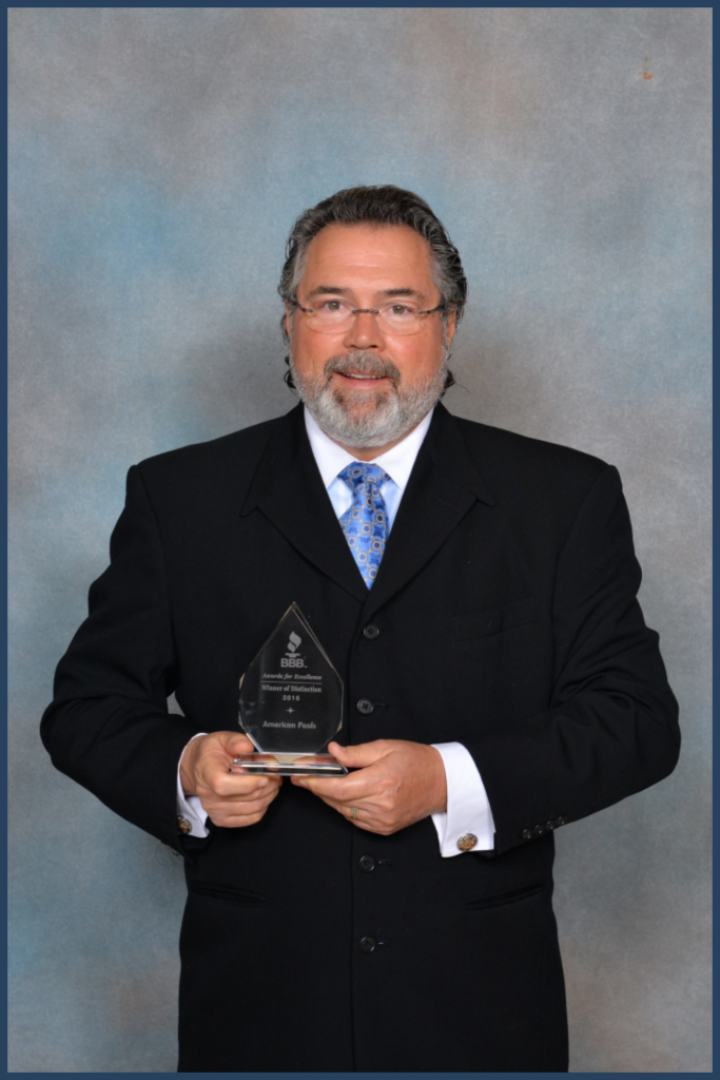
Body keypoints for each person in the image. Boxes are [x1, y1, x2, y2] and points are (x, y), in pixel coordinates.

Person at [41, 185, 680, 1073]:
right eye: (332, 303)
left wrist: (448, 783)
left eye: (399, 306)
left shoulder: (561, 502)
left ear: (448, 326)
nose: (364, 339)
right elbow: (87, 708)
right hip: (256, 1016)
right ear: (291, 324)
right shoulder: (178, 499)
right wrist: (183, 770)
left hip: (480, 1018)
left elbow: (637, 722)